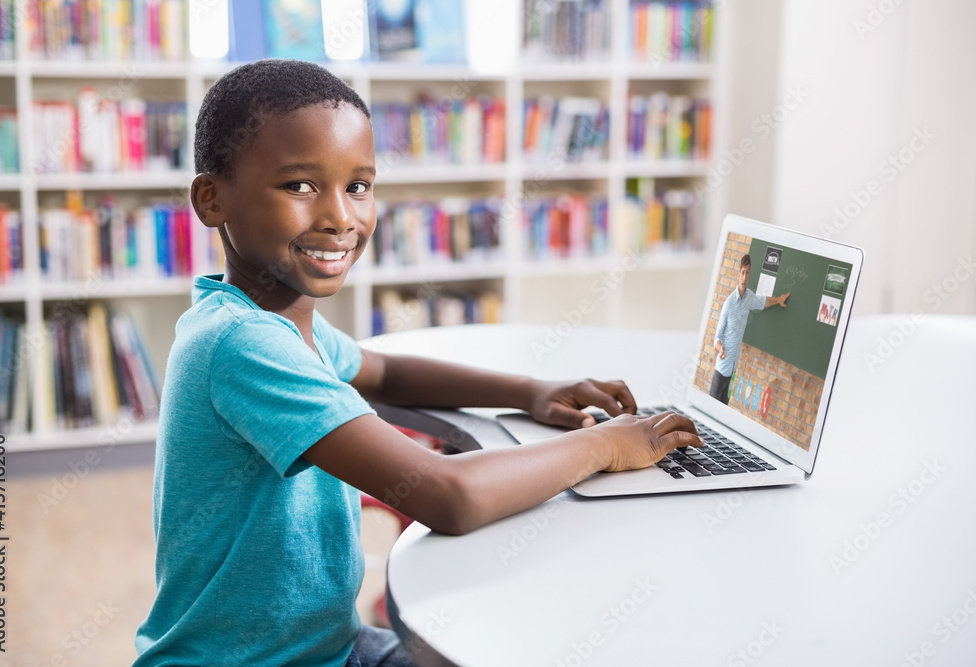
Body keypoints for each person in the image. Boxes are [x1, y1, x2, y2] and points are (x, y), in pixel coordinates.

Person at [133, 59, 703, 667]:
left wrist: (531, 389)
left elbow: (384, 371)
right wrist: (604, 447)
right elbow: (444, 496)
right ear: (212, 199)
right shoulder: (242, 344)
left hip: (325, 646)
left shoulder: (280, 321)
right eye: (300, 186)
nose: (340, 217)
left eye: (357, 186)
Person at [709, 254, 790, 404]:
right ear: (738, 275)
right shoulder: (728, 304)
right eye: (743, 273)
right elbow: (716, 337)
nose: (745, 277)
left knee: (724, 409)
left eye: (747, 272)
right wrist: (719, 348)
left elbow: (763, 302)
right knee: (711, 410)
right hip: (721, 371)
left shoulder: (749, 298)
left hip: (733, 371)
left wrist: (778, 300)